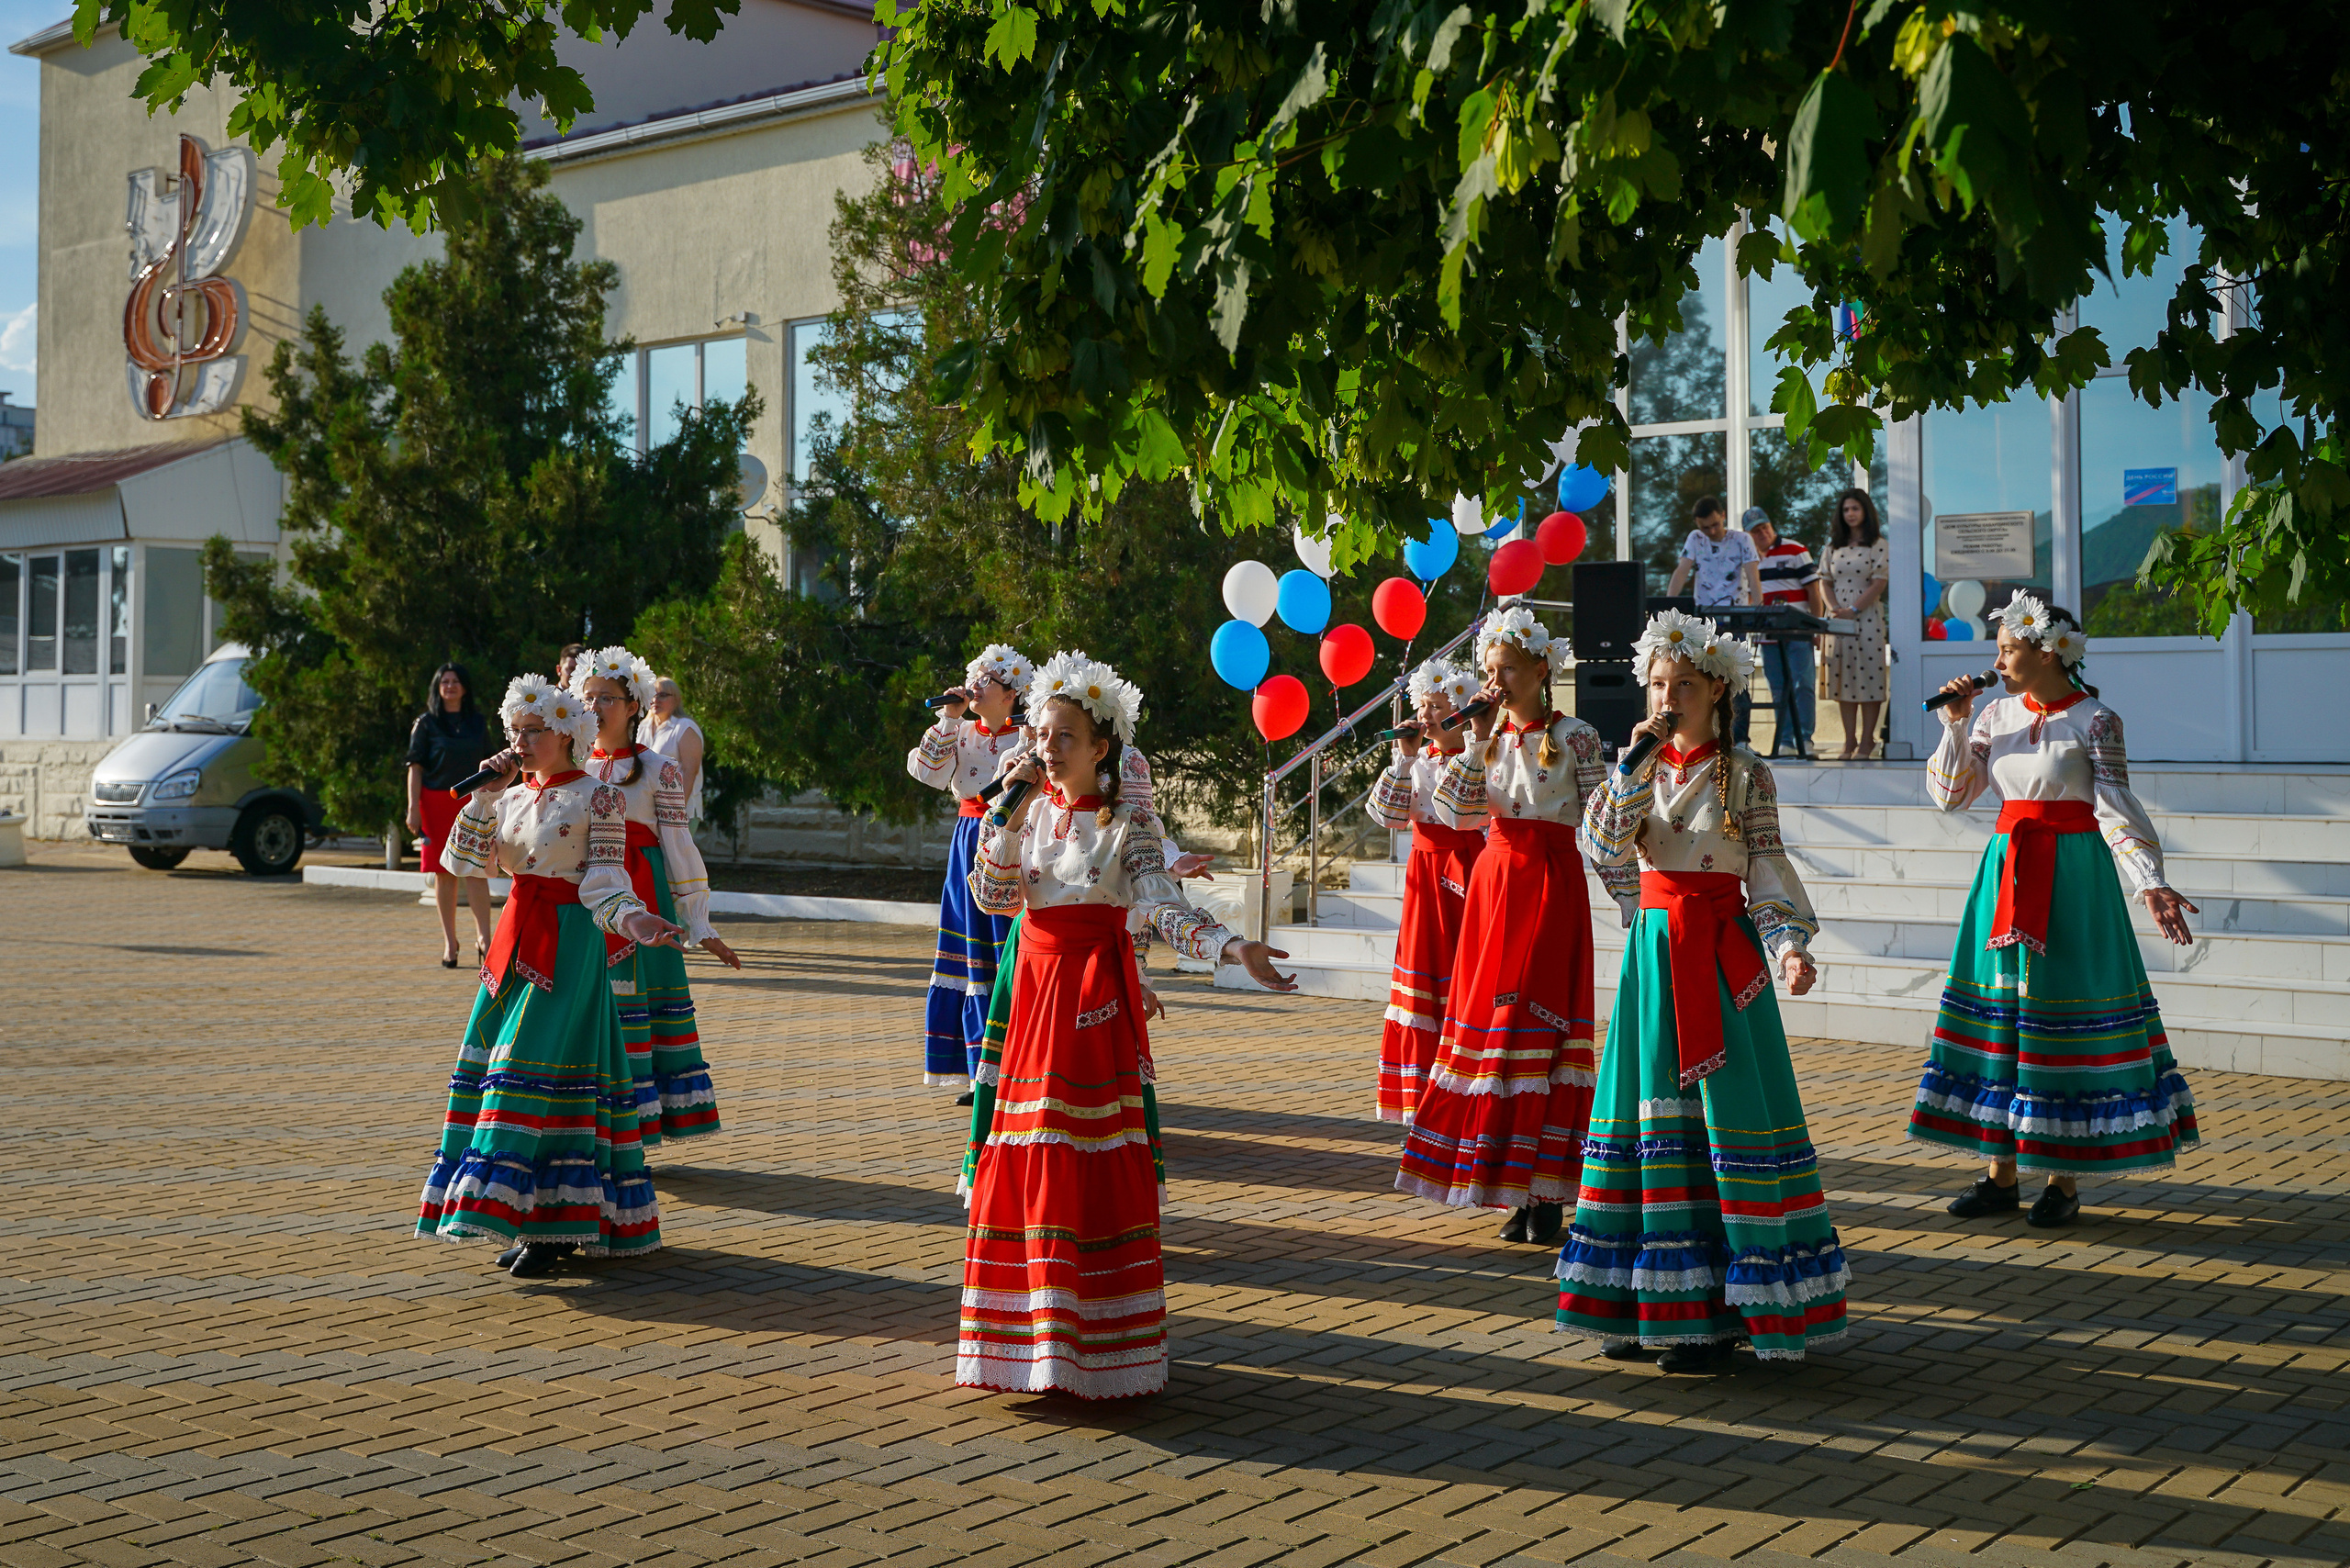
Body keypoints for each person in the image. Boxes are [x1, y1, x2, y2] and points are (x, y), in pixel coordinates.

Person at [958, 651, 1296, 1399]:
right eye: (1042, 733)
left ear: (1100, 747)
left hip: (1090, 1002)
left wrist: (1233, 947)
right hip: (1035, 999)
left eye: (1064, 734)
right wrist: (1006, 818)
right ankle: (1029, 1345)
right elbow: (989, 897)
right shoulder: (1028, 809)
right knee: (1030, 1156)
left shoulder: (1131, 823)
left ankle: (1096, 1345)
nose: (1046, 746)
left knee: (1083, 1158)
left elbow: (1165, 905)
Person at [1558, 610, 1846, 1372]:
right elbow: (1601, 845)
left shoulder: (1746, 774)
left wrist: (1788, 947)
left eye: (1682, 685)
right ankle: (1638, 1302)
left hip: (1721, 965)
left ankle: (1719, 1316)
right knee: (1643, 1120)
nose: (1666, 697)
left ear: (1717, 689)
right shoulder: (1637, 767)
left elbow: (1768, 867)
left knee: (1722, 1125)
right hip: (1654, 958)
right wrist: (1633, 765)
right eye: (1657, 684)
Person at [1913, 596, 2201, 1226]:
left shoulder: (2096, 720)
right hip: (2006, 872)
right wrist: (1955, 724)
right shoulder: (1993, 713)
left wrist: (2150, 881)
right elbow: (1950, 798)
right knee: (2007, 1015)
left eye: (2007, 650)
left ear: (2047, 651)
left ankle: (2064, 1182)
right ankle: (2000, 1175)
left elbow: (2116, 804)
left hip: (2073, 877)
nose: (1996, 661)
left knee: (2060, 1014)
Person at [417, 673, 686, 1278]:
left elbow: (608, 882)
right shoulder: (509, 797)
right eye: (516, 732)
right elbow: (459, 864)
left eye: (533, 732)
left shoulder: (599, 796)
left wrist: (639, 922)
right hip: (514, 947)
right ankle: (537, 1219)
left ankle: (552, 1227)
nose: (520, 742)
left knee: (526, 1076)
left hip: (568, 946)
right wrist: (484, 798)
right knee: (499, 1069)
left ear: (565, 734)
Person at [1394, 608, 1635, 1245]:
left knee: (1533, 1026)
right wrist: (1475, 740)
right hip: (1494, 886)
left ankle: (1548, 1193)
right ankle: (1510, 1187)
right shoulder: (1489, 736)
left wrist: (1631, 899)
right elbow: (1453, 812)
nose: (1496, 682)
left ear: (1540, 669)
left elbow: (1603, 823)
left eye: (1506, 670)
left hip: (1549, 888)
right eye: (1489, 671)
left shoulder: (1578, 734)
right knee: (1492, 1035)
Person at [571, 647, 739, 1148]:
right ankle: (584, 1126)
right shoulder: (570, 763)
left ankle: (633, 1130)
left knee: (634, 1008)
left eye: (608, 698)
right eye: (588, 697)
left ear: (633, 706)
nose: (596, 706)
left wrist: (698, 922)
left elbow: (678, 846)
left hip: (641, 900)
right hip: (581, 902)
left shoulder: (659, 769)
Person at [908, 645, 1034, 1099]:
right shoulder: (958, 731)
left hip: (1009, 841)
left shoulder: (1031, 737)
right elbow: (927, 773)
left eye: (986, 682)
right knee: (969, 953)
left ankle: (1014, 1068)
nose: (974, 687)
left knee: (1006, 954)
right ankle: (979, 1071)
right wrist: (947, 718)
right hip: (967, 842)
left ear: (1011, 694)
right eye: (973, 678)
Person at [1367, 658, 1484, 1125]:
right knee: (1422, 980)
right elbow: (1386, 816)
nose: (1429, 715)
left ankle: (1464, 1100)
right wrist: (1405, 756)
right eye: (1423, 706)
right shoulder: (1418, 761)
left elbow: (1463, 813)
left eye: (1438, 707)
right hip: (1424, 878)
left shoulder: (1483, 756)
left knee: (1464, 978)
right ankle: (1422, 1106)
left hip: (1470, 872)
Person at [404, 662, 494, 968]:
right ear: (437, 687)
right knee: (443, 873)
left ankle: (484, 938)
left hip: (472, 802)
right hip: (434, 803)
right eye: (445, 681)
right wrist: (413, 807)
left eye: (456, 681)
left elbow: (491, 764)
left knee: (475, 868)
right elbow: (415, 767)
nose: (450, 686)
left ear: (465, 687)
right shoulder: (426, 723)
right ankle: (450, 943)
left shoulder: (478, 723)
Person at [1744, 508, 1827, 758]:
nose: (1763, 533)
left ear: (1771, 525)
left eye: (1765, 527)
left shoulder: (1795, 550)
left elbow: (1814, 590)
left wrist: (1816, 625)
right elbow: (1748, 596)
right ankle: (1786, 739)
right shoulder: (1748, 560)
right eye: (1756, 531)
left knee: (1803, 684)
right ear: (1749, 535)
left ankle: (1804, 737)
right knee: (1778, 688)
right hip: (1767, 636)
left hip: (1798, 631)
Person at [1821, 488, 1890, 758]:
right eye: (1846, 509)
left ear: (1866, 512)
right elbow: (1824, 581)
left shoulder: (1878, 545)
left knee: (1869, 678)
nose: (1850, 514)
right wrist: (1834, 609)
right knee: (1843, 681)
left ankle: (1867, 740)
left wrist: (1853, 608)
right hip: (1838, 621)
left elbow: (1879, 583)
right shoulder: (1832, 547)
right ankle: (1848, 741)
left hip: (1867, 619)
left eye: (1855, 509)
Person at [1664, 496, 1762, 610]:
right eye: (1705, 528)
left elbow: (1753, 577)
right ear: (1696, 523)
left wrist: (1759, 609)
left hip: (1735, 610)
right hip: (1704, 611)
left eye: (1715, 524)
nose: (1712, 531)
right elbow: (1681, 571)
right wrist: (1668, 606)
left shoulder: (1742, 539)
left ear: (1723, 516)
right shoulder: (1696, 538)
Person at [638, 676, 706, 823]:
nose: (656, 700)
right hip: (648, 811)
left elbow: (690, 771)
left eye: (662, 695)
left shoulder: (685, 727)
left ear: (676, 699)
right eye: (652, 695)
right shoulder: (640, 728)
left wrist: (677, 812)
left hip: (680, 811)